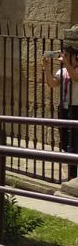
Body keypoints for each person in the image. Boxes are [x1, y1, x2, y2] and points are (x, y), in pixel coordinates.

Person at [42, 47, 78, 179]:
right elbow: (52, 83)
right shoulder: (62, 71)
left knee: (75, 142)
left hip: (76, 108)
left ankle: (73, 175)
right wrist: (46, 68)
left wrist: (67, 63)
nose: (65, 58)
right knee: (65, 141)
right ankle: (71, 173)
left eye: (68, 56)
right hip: (64, 108)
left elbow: (75, 79)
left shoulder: (73, 70)